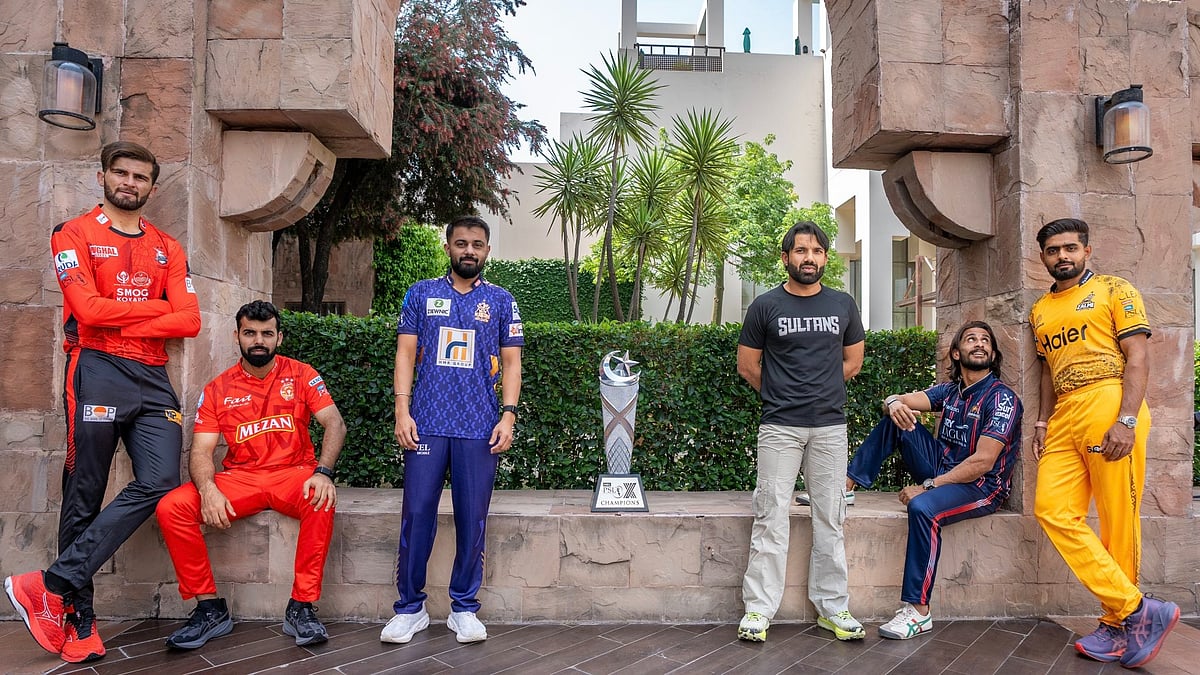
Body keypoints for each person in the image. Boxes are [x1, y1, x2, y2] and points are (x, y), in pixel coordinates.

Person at [5, 141, 201, 664]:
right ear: (103, 177)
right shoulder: (73, 234)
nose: (130, 183)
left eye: (140, 177)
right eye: (122, 173)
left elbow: (191, 321)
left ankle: (51, 584)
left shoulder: (168, 246)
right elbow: (87, 313)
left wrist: (121, 312)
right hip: (95, 368)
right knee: (83, 492)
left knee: (161, 480)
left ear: (152, 188)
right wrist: (155, 307)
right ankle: (78, 621)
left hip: (153, 378)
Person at [154, 300, 346, 650]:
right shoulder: (217, 389)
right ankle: (209, 607)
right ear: (237, 336)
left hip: (293, 474)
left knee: (321, 498)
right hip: (240, 478)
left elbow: (334, 422)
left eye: (267, 333)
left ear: (279, 338)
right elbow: (200, 451)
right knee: (172, 508)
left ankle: (301, 607)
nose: (259, 340)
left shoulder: (302, 374)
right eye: (250, 333)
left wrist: (323, 472)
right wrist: (208, 489)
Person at [1030, 218, 1178, 668]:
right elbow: (1046, 370)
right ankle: (1135, 609)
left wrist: (1127, 419)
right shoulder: (1040, 310)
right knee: (1051, 509)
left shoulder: (1116, 289)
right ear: (1043, 258)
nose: (1063, 256)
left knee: (1118, 521)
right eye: (1053, 250)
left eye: (1070, 248)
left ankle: (1116, 625)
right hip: (1064, 415)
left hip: (1108, 402)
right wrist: (1041, 422)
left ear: (1087, 251)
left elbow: (1138, 354)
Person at [380, 215, 523, 646]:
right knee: (418, 514)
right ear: (447, 247)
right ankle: (410, 609)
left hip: (479, 427)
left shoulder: (500, 301)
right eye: (461, 243)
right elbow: (405, 355)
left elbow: (512, 362)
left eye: (477, 245)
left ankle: (464, 607)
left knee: (472, 518)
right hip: (425, 423)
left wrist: (508, 415)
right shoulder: (421, 293)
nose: (468, 251)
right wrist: (402, 412)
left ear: (487, 251)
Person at [843, 321, 1022, 640]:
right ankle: (846, 487)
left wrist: (928, 487)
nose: (979, 344)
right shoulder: (951, 391)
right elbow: (897, 399)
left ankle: (918, 612)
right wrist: (893, 403)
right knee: (898, 420)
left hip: (981, 486)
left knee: (924, 508)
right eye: (971, 339)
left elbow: (983, 462)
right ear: (956, 352)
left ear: (993, 355)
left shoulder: (1002, 400)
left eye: (985, 341)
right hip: (943, 469)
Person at [736, 220, 866, 643]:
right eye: (800, 251)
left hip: (830, 427)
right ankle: (758, 610)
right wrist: (781, 395)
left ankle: (834, 608)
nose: (808, 258)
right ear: (786, 257)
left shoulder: (843, 304)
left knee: (831, 518)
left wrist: (820, 392)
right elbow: (747, 366)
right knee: (770, 515)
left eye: (816, 251)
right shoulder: (765, 306)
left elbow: (853, 362)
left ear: (825, 258)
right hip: (779, 428)